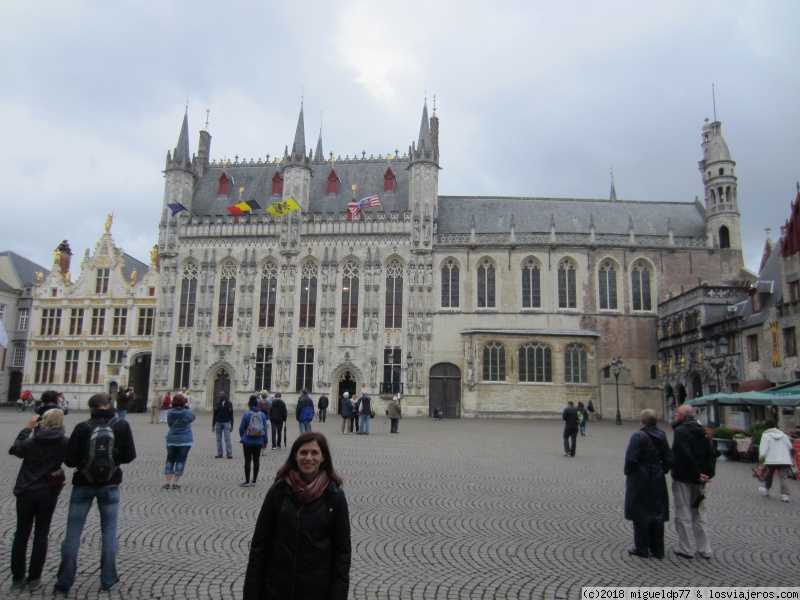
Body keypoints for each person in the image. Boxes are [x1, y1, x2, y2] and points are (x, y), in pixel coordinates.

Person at [243, 432, 351, 599]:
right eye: (303, 452)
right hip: (276, 589)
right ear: (295, 456)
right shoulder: (278, 491)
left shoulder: (334, 497)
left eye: (314, 453)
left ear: (323, 457)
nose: (308, 458)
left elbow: (342, 556)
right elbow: (259, 547)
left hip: (316, 591)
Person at [54, 393, 137, 594]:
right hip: (110, 484)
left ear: (91, 408)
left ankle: (64, 582)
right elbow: (130, 455)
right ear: (108, 405)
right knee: (109, 533)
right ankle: (108, 579)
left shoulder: (83, 427)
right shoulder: (121, 425)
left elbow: (71, 460)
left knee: (73, 533)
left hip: (83, 483)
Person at [9, 409, 69, 591]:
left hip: (26, 491)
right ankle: (34, 578)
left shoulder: (32, 441)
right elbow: (73, 459)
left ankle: (18, 577)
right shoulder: (64, 442)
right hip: (48, 492)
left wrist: (27, 428)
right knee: (41, 535)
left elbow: (14, 449)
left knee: (21, 534)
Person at [624, 408, 673, 559]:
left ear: (642, 421)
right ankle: (658, 550)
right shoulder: (662, 435)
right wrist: (660, 470)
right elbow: (669, 459)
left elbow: (631, 460)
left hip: (640, 478)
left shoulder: (638, 436)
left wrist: (630, 472)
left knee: (640, 512)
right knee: (657, 512)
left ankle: (642, 548)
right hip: (657, 478)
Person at [670, 404, 716, 560]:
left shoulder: (680, 431)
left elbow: (684, 454)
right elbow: (711, 454)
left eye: (677, 414)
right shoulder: (702, 431)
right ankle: (705, 548)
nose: (675, 416)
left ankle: (686, 548)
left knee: (682, 511)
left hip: (684, 476)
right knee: (699, 512)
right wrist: (708, 474)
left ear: (682, 416)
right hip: (700, 478)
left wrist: (697, 474)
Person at [163, 393, 196, 490]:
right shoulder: (187, 413)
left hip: (172, 439)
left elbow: (169, 424)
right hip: (185, 440)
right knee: (181, 460)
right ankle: (175, 483)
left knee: (170, 459)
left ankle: (167, 482)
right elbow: (193, 417)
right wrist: (187, 407)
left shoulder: (169, 413)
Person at [758, 418, 796, 502]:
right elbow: (790, 446)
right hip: (784, 459)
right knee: (784, 477)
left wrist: (761, 458)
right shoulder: (783, 435)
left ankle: (766, 490)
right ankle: (785, 495)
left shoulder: (766, 435)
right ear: (775, 425)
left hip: (771, 460)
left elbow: (763, 450)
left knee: (769, 475)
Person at [239, 396, 269, 486]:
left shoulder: (246, 414)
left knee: (247, 460)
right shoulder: (262, 415)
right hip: (259, 441)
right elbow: (265, 430)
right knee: (256, 460)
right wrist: (265, 441)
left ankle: (247, 481)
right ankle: (254, 480)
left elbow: (241, 428)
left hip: (248, 441)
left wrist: (244, 436)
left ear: (249, 405)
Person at [212, 391, 235, 459]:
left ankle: (229, 453)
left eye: (221, 394)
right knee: (218, 439)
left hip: (226, 422)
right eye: (219, 394)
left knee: (227, 438)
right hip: (218, 422)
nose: (220, 396)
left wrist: (232, 425)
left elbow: (231, 415)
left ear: (225, 395)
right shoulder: (217, 404)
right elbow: (215, 415)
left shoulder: (229, 404)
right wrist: (213, 425)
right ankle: (219, 453)